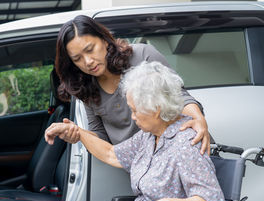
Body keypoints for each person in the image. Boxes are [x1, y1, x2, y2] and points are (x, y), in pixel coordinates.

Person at [46, 61, 226, 201]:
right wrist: (78, 134)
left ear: (156, 109)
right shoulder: (148, 137)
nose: (132, 117)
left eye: (135, 110)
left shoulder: (186, 145)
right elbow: (111, 154)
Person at [53, 14, 211, 155]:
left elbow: (179, 97)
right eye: (77, 58)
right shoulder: (86, 88)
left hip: (184, 153)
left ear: (104, 40)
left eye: (90, 49)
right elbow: (101, 137)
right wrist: (78, 134)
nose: (87, 62)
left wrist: (198, 118)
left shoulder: (142, 55)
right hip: (147, 169)